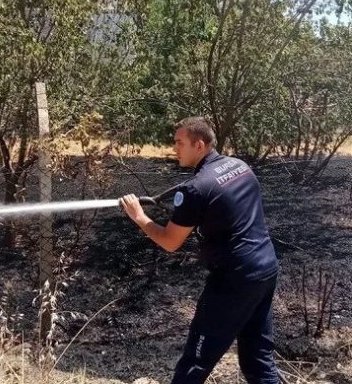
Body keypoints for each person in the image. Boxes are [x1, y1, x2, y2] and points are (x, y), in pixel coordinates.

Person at [119, 117, 280, 384]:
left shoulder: (196, 188)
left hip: (233, 281)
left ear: (200, 145)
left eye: (180, 143)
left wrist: (139, 217)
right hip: (265, 269)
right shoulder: (240, 167)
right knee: (257, 359)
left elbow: (171, 242)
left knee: (194, 363)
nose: (174, 149)